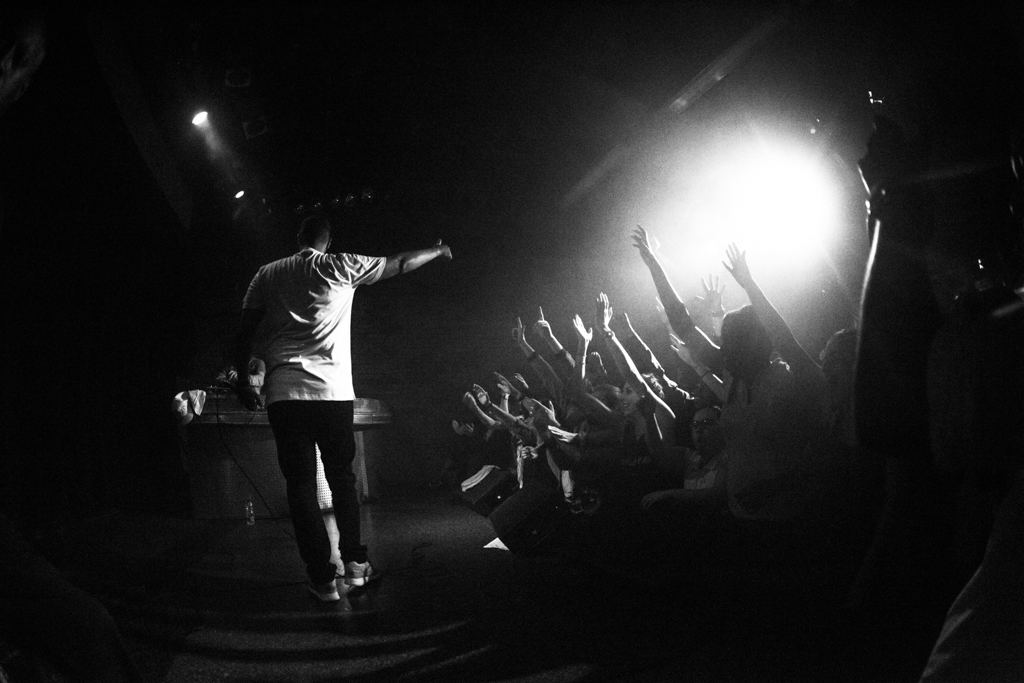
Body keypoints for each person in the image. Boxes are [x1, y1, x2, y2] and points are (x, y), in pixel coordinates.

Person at [233, 214, 452, 601]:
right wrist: (436, 250)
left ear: (298, 238)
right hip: (332, 393)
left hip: (284, 393)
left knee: (300, 485)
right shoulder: (341, 265)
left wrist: (242, 382)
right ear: (328, 241)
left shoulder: (267, 273)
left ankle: (322, 580)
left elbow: (244, 331)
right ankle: (355, 567)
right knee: (341, 479)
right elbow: (400, 263)